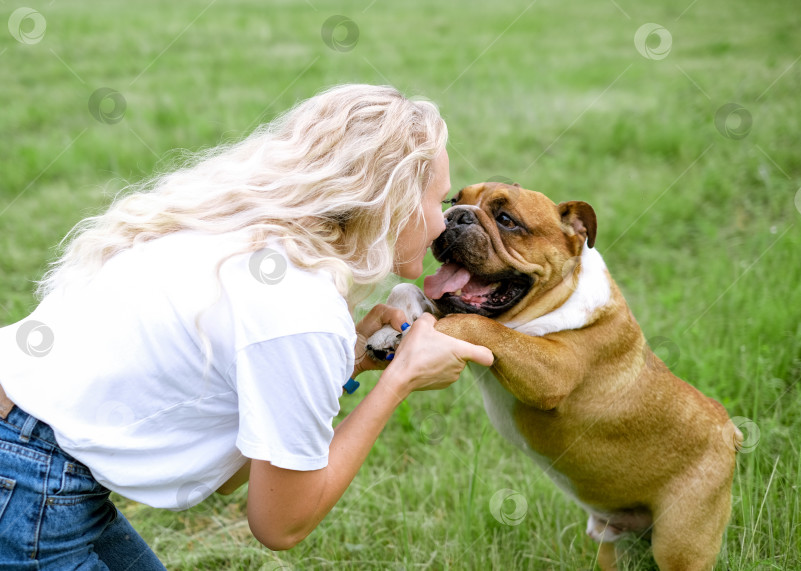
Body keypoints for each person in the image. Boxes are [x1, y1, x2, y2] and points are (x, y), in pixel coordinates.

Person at [0, 84, 494, 569]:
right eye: (439, 201)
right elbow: (282, 524)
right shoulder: (302, 307)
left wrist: (356, 356)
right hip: (28, 476)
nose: (441, 225)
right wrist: (399, 380)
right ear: (393, 199)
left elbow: (231, 474)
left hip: (29, 453)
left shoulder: (237, 229)